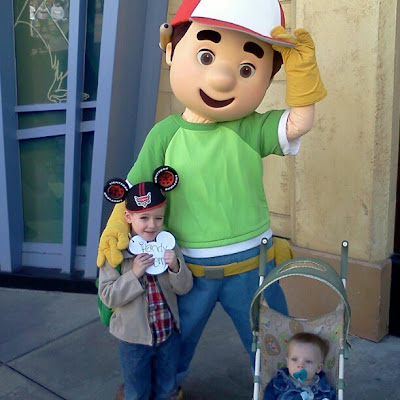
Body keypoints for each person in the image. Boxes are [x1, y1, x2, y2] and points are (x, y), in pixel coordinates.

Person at [97, 0, 327, 391]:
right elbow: (135, 191)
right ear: (171, 50)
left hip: (253, 265)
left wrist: (302, 72)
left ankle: (284, 393)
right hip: (186, 268)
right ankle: (165, 391)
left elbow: (299, 122)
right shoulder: (165, 134)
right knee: (175, 340)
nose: (222, 79)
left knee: (273, 341)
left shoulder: (250, 127)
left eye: (247, 69)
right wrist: (117, 229)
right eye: (206, 56)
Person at [98, 173, 193, 400]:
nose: (152, 225)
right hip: (133, 340)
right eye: (144, 218)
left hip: (167, 334)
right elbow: (108, 296)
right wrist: (134, 274)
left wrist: (175, 267)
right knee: (136, 391)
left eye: (158, 218)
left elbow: (184, 288)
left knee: (166, 388)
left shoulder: (168, 245)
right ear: (128, 217)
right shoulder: (117, 252)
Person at [264, 332, 336, 399]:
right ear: (288, 363)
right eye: (294, 359)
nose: (300, 365)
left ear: (318, 368)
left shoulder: (325, 391)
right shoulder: (278, 382)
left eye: (308, 361)